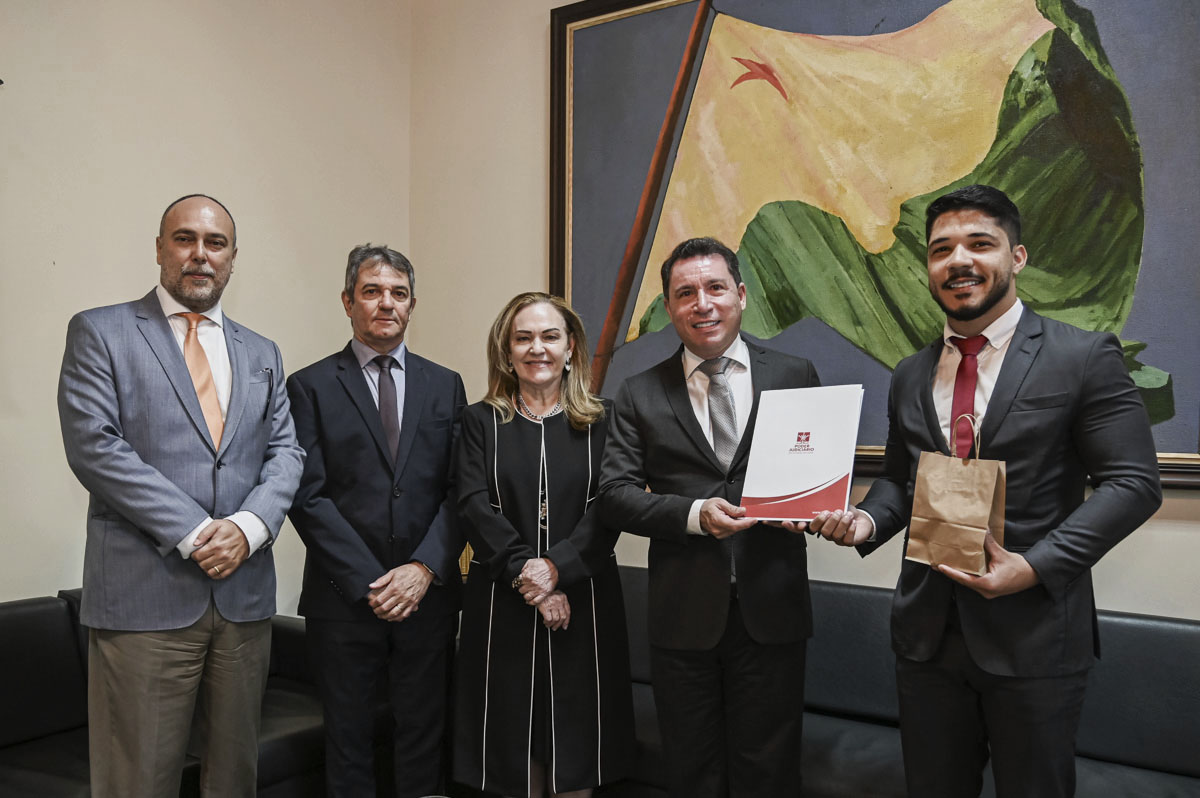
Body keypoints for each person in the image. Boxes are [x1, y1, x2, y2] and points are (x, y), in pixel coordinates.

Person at [809, 185, 1163, 798]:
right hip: (926, 635)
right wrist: (866, 521)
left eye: (980, 244)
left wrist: (1035, 566)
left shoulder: (1082, 356)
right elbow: (900, 479)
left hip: (1034, 635)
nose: (959, 261)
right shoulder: (911, 372)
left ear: (1016, 257)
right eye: (941, 249)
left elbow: (1134, 484)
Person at [57, 194, 304, 798]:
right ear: (160, 248)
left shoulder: (262, 352)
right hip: (144, 599)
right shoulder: (102, 330)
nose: (200, 254)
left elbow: (286, 452)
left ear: (233, 257)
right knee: (137, 780)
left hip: (244, 601)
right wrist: (196, 534)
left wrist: (248, 527)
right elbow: (95, 446)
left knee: (234, 779)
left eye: (215, 243)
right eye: (185, 238)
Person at [598, 237, 820, 798]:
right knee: (692, 771)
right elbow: (615, 494)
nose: (703, 303)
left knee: (769, 772)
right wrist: (695, 514)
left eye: (715, 288)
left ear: (740, 295)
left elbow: (815, 473)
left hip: (773, 608)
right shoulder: (639, 393)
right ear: (670, 307)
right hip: (683, 615)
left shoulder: (794, 374)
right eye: (685, 293)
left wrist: (813, 511)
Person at [286, 244, 466, 798]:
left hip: (427, 598)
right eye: (372, 291)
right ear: (348, 302)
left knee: (424, 736)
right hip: (343, 601)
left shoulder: (446, 384)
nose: (386, 303)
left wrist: (423, 569)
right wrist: (373, 583)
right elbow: (307, 495)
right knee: (348, 740)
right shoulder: (309, 386)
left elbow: (462, 490)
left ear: (412, 305)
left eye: (398, 293)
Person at [453, 292, 634, 798]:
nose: (537, 348)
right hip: (501, 604)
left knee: (578, 745)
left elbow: (610, 507)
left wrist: (557, 569)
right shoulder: (478, 421)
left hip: (586, 603)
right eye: (524, 338)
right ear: (506, 351)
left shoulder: (604, 420)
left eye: (550, 336)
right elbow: (473, 506)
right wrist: (529, 576)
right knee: (512, 746)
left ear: (570, 347)